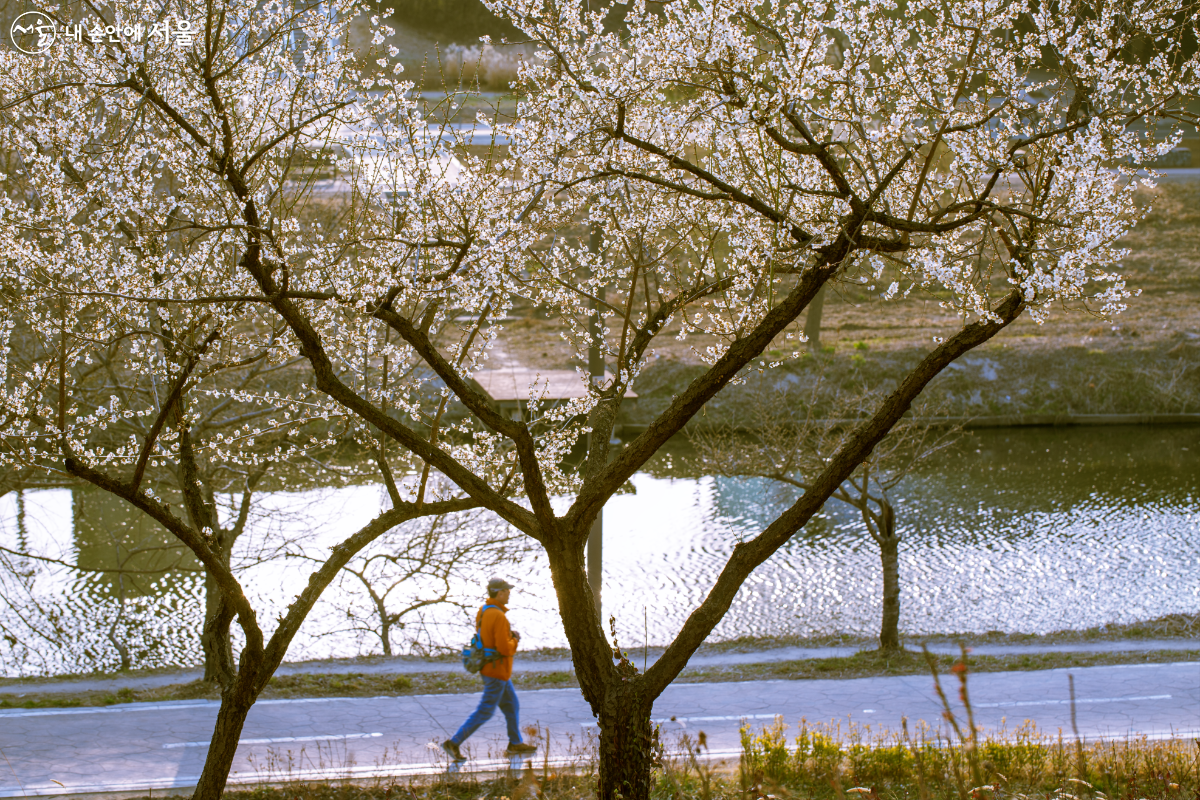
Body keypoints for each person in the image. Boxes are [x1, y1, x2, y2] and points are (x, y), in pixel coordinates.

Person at [442, 577, 538, 760]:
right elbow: (504, 648)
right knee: (485, 711)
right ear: (499, 593)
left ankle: (515, 744)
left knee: (511, 705)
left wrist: (507, 636)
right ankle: (453, 743)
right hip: (497, 671)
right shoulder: (499, 616)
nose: (509, 593)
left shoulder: (484, 611)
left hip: (488, 667)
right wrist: (515, 639)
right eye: (507, 590)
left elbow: (489, 638)